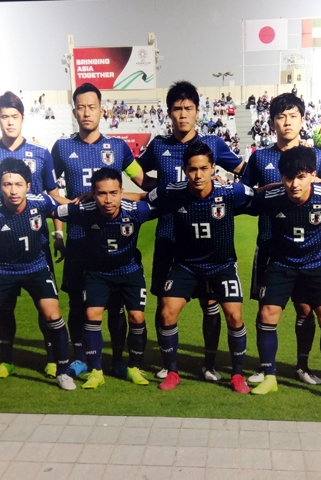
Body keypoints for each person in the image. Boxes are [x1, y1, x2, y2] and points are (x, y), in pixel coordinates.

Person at [137, 80, 245, 382]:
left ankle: (209, 363)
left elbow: (244, 171)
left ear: (197, 111)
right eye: (177, 109)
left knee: (210, 302)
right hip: (168, 236)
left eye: (188, 108)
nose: (182, 114)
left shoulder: (213, 145)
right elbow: (136, 170)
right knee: (165, 302)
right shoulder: (159, 145)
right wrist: (158, 189)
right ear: (169, 112)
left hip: (205, 239)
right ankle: (167, 363)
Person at [51, 83, 154, 379]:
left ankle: (117, 359)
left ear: (102, 110)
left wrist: (176, 188)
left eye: (92, 106)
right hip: (79, 240)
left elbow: (143, 182)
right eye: (81, 107)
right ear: (74, 112)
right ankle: (81, 358)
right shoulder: (62, 148)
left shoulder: (118, 148)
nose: (87, 112)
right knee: (77, 304)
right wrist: (70, 215)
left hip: (112, 239)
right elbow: (50, 191)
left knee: (116, 306)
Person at [241, 93, 321, 386]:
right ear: (272, 122)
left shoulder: (317, 157)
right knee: (267, 308)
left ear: (302, 120)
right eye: (281, 117)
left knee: (306, 309)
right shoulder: (260, 157)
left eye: (293, 116)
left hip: (310, 249)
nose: (287, 122)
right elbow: (245, 195)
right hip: (271, 246)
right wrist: (275, 188)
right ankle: (265, 367)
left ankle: (302, 366)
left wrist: (317, 182)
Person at [0, 91, 66, 380]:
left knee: (46, 306)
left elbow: (53, 196)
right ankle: (6, 360)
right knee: (5, 308)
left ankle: (53, 359)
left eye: (14, 116)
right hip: (3, 247)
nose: (10, 122)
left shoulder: (41, 153)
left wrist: (58, 234)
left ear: (23, 118)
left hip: (37, 244)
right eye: (4, 117)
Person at [146, 141, 253, 392]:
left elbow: (261, 194)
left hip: (222, 265)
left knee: (235, 316)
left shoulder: (231, 192)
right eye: (193, 169)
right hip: (186, 266)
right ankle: (172, 372)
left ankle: (237, 375)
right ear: (185, 170)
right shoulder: (172, 191)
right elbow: (143, 198)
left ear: (213, 168)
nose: (198, 175)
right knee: (166, 313)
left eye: (204, 168)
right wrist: (98, 197)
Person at [0, 158, 75, 391]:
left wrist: (82, 202)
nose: (13, 190)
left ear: (28, 186)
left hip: (36, 267)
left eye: (18, 184)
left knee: (53, 314)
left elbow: (65, 209)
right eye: (7, 184)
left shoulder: (41, 201)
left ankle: (63, 371)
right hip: (1, 269)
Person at [248, 146, 321, 396]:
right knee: (267, 314)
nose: (294, 184)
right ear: (281, 176)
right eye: (288, 177)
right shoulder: (272, 197)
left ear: (313, 175)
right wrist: (266, 188)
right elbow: (243, 197)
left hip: (317, 263)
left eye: (301, 177)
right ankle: (269, 377)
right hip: (282, 263)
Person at [54, 168, 158, 388]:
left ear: (122, 192)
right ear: (93, 193)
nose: (108, 200)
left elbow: (167, 200)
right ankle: (96, 371)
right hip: (98, 272)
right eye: (101, 193)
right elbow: (51, 209)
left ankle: (134, 367)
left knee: (136, 317)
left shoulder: (137, 211)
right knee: (92, 314)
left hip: (129, 271)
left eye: (113, 193)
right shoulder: (84, 210)